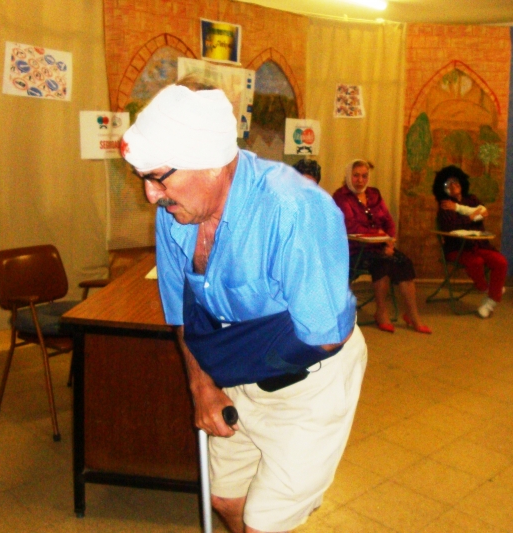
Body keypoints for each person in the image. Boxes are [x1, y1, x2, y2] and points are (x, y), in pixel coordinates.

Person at [120, 82, 367, 533]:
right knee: (225, 498)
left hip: (309, 384)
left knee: (262, 523)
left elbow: (324, 337)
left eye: (158, 177)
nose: (151, 195)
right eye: (143, 179)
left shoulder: (295, 209)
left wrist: (225, 360)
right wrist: (202, 384)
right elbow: (183, 310)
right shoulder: (174, 215)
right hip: (238, 371)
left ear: (212, 162)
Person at [332, 159, 431, 334]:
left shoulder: (374, 194)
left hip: (380, 246)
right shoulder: (341, 196)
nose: (360, 180)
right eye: (356, 176)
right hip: (354, 249)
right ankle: (381, 312)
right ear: (348, 176)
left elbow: (388, 222)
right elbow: (350, 226)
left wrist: (389, 241)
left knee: (404, 262)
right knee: (383, 263)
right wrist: (377, 235)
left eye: (364, 176)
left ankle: (412, 315)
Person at [432, 165, 508, 318]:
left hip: (479, 244)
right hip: (456, 248)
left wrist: (461, 211)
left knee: (501, 262)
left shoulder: (472, 199)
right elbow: (450, 227)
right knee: (476, 262)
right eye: (448, 184)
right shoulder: (445, 205)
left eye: (455, 181)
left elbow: (483, 213)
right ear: (443, 189)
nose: (453, 185)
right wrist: (471, 217)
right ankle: (488, 290)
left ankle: (490, 302)